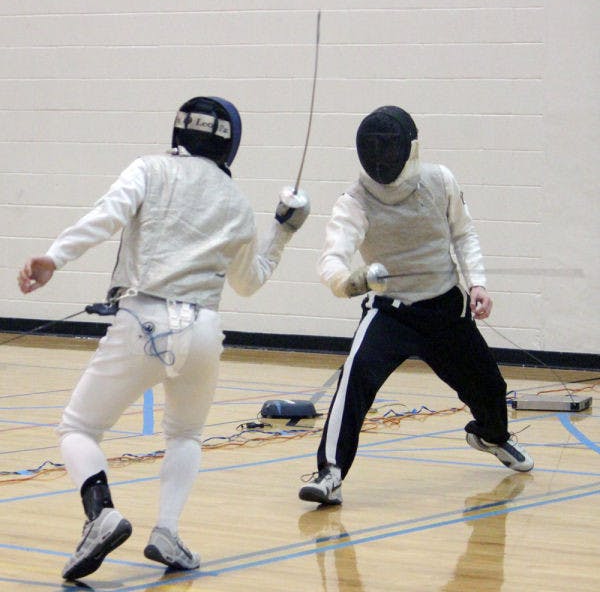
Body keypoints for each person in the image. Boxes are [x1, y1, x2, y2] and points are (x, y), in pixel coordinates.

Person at [18, 96, 310, 579]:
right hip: (203, 331)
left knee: (77, 429)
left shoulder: (149, 169)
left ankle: (102, 514)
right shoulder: (236, 202)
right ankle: (167, 532)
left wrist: (55, 257)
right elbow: (249, 282)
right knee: (186, 434)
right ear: (229, 144)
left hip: (144, 321)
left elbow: (108, 214)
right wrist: (283, 230)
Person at [298, 105, 533, 506]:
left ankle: (491, 436)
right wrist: (348, 281)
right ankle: (330, 473)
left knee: (490, 388)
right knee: (354, 382)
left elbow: (464, 234)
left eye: (389, 149)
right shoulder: (354, 200)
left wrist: (477, 283)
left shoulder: (440, 180)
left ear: (409, 149)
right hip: (390, 313)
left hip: (445, 309)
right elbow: (331, 260)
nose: (382, 159)